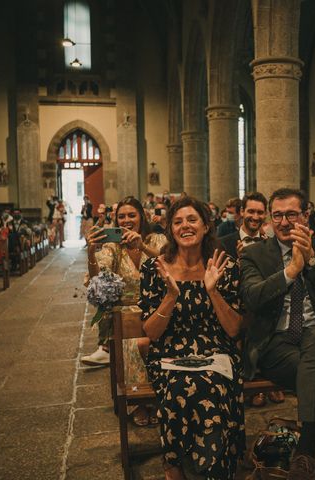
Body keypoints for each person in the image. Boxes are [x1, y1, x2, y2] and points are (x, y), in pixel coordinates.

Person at [240, 188, 315, 480]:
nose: (283, 221)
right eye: (277, 215)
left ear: (305, 215)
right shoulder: (254, 254)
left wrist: (312, 261)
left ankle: (304, 451)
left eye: (291, 214)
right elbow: (252, 297)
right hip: (275, 344)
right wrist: (291, 271)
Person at [138, 197, 245, 480]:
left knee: (210, 384)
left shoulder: (225, 267)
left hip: (217, 351)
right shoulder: (155, 269)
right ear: (171, 230)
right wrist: (171, 296)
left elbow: (234, 330)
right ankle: (188, 468)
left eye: (192, 219)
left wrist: (213, 291)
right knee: (184, 384)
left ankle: (201, 469)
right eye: (178, 221)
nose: (185, 226)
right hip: (169, 353)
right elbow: (151, 333)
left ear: (206, 225)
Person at [219, 192, 286, 407]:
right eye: (250, 211)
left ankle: (271, 382)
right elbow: (219, 278)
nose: (255, 216)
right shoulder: (224, 243)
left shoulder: (272, 243)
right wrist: (240, 262)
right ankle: (248, 381)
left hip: (261, 302)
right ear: (241, 213)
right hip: (234, 301)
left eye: (259, 212)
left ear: (265, 215)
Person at [82, 196, 166, 367]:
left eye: (131, 215)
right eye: (121, 216)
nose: (126, 220)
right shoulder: (113, 246)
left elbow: (169, 263)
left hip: (157, 303)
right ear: (116, 220)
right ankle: (106, 347)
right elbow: (98, 277)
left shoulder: (157, 239)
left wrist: (142, 246)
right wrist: (91, 253)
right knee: (102, 288)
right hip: (123, 307)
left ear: (141, 217)